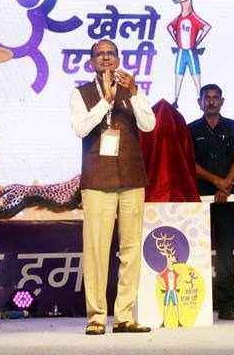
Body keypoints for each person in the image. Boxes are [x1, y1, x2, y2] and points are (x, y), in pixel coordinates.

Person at [70, 39, 155, 335]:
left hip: (131, 176)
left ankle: (124, 316)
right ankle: (96, 316)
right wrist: (106, 101)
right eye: (100, 54)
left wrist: (134, 93)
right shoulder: (80, 93)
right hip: (97, 178)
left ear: (118, 59)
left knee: (131, 248)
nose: (105, 58)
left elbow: (149, 125)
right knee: (96, 250)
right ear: (91, 61)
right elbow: (81, 128)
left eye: (110, 54)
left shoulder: (132, 89)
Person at [188, 84, 234, 320]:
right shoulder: (190, 129)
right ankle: (197, 304)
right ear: (199, 102)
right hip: (199, 198)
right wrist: (217, 182)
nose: (211, 102)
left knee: (224, 252)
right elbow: (189, 163)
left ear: (222, 101)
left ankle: (226, 306)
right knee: (197, 252)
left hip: (228, 197)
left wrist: (226, 186)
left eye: (215, 98)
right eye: (207, 98)